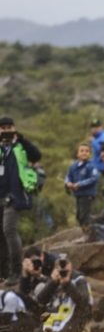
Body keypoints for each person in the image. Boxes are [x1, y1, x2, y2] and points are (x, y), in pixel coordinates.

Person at [0, 116, 42, 286]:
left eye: (9, 127)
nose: (6, 130)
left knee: (9, 230)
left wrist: (21, 138)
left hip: (15, 195)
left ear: (14, 128)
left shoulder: (21, 146)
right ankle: (3, 273)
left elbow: (37, 155)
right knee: (1, 235)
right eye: (3, 128)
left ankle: (17, 272)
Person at [35, 255, 91, 332]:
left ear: (71, 265)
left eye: (65, 264)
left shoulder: (79, 280)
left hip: (73, 316)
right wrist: (52, 283)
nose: (63, 268)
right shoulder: (54, 279)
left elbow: (83, 302)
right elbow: (40, 300)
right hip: (54, 316)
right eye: (60, 265)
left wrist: (67, 284)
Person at [64, 142, 100, 227]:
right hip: (78, 194)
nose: (84, 153)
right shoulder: (73, 166)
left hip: (87, 194)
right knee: (79, 216)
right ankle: (88, 229)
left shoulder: (91, 165)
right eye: (82, 151)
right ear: (77, 154)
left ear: (89, 154)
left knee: (84, 215)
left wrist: (79, 184)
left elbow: (93, 178)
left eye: (87, 151)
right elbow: (68, 176)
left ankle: (91, 230)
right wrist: (68, 183)